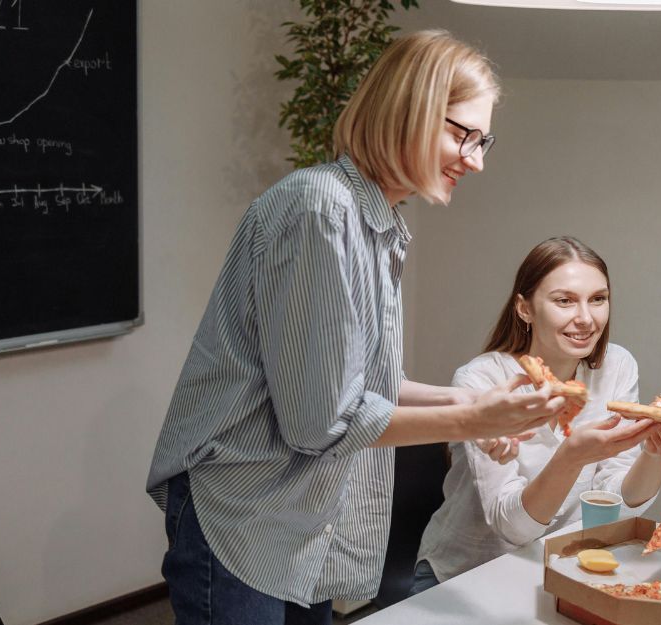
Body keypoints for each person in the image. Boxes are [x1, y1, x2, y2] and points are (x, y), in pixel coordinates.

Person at [145, 31, 574, 625]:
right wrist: (474, 420)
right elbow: (320, 421)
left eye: (483, 141)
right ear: (409, 110)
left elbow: (364, 384)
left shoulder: (378, 222)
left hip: (301, 519)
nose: (475, 160)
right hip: (245, 514)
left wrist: (475, 404)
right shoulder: (320, 210)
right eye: (463, 135)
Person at [411, 236, 661, 593]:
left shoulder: (617, 366)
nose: (586, 319)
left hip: (560, 570)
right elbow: (512, 529)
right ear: (524, 309)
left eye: (598, 299)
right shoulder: (483, 380)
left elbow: (618, 507)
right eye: (564, 301)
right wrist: (570, 458)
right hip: (467, 576)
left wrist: (653, 454)